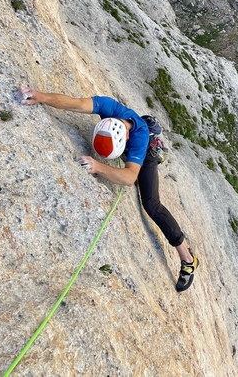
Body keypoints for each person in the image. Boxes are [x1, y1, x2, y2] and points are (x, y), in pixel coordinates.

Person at [19, 85, 199, 292]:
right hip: (129, 142)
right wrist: (41, 96)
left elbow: (130, 177)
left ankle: (188, 260)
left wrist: (98, 167)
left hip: (146, 155)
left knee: (151, 204)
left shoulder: (138, 138)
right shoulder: (109, 107)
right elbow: (75, 103)